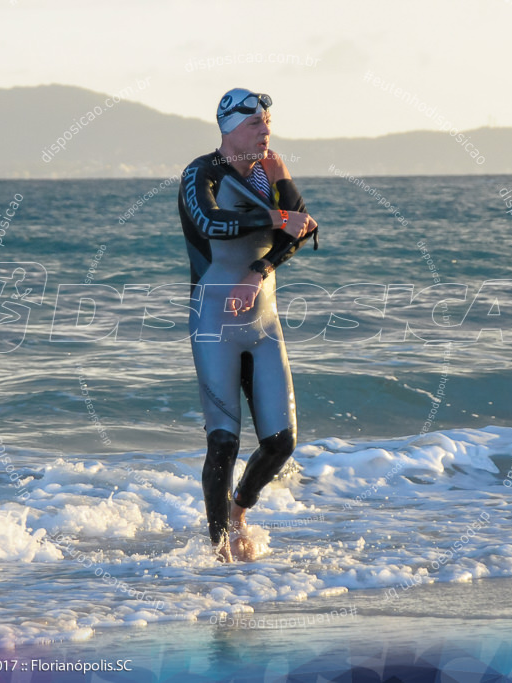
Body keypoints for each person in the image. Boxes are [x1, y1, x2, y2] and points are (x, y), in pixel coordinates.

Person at [176, 88, 319, 562]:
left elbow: (305, 230)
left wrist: (259, 272)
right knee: (223, 442)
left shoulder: (269, 171)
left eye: (268, 123)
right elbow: (212, 224)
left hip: (263, 319)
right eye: (256, 124)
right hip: (213, 321)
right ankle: (218, 549)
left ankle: (239, 512)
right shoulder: (201, 173)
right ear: (229, 127)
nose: (266, 132)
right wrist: (278, 214)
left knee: (281, 442)